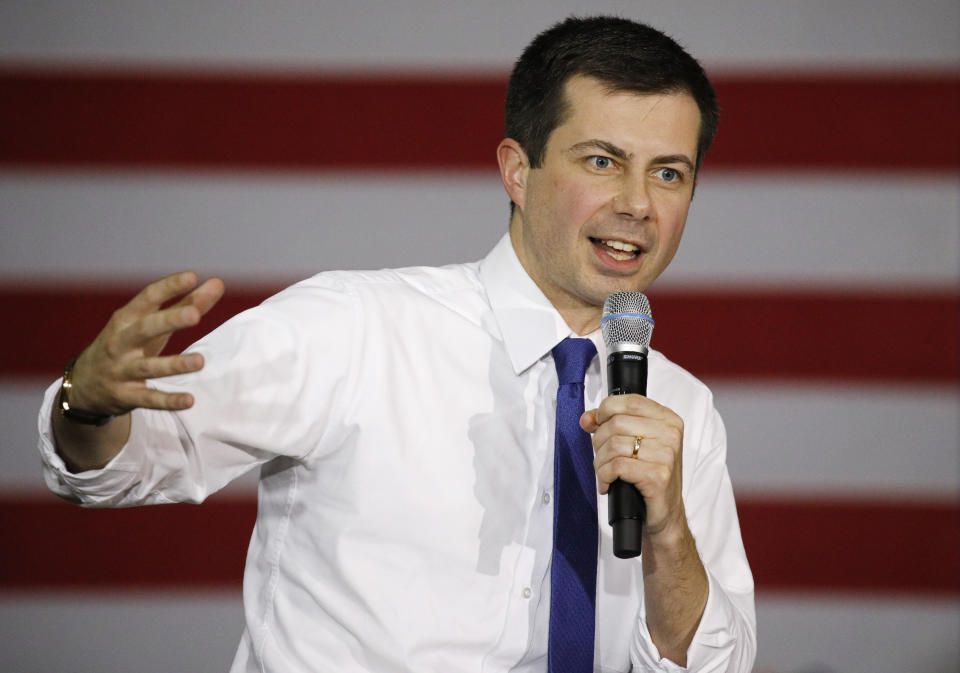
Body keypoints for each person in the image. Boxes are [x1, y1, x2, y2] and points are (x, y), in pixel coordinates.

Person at [38, 15, 755, 673]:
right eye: (602, 161)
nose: (637, 202)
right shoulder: (353, 328)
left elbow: (717, 665)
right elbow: (122, 463)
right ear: (516, 169)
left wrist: (668, 536)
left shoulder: (682, 406)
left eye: (668, 172)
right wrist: (87, 401)